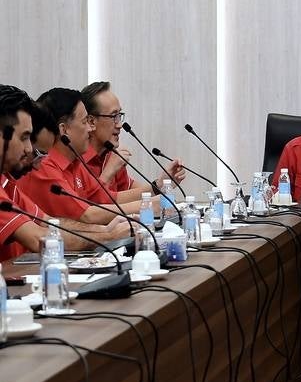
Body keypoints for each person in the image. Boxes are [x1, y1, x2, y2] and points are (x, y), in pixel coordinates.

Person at [0, 85, 131, 261]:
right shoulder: (42, 170)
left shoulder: (6, 181)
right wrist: (109, 236)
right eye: (24, 138)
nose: (28, 149)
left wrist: (106, 231)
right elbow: (37, 238)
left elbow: (50, 223)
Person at [18, 88, 149, 222]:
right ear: (64, 130)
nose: (91, 128)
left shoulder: (75, 162)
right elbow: (86, 215)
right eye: (85, 121)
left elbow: (102, 199)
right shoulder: (43, 165)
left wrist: (158, 187)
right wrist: (147, 206)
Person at [80, 81, 186, 191]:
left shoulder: (110, 155)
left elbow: (131, 194)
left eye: (119, 115)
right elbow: (87, 206)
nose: (120, 125)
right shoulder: (77, 160)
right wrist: (108, 173)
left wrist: (162, 183)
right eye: (113, 116)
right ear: (91, 122)